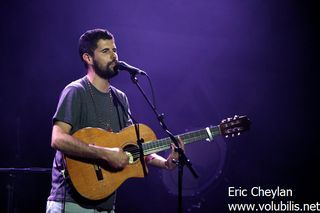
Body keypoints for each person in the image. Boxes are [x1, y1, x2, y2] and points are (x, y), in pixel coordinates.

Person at [46, 28, 184, 213]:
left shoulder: (121, 98)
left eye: (114, 50)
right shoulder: (76, 91)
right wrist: (105, 154)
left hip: (106, 204)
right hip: (71, 203)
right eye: (105, 51)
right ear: (88, 58)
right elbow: (58, 139)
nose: (114, 56)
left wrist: (166, 163)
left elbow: (133, 147)